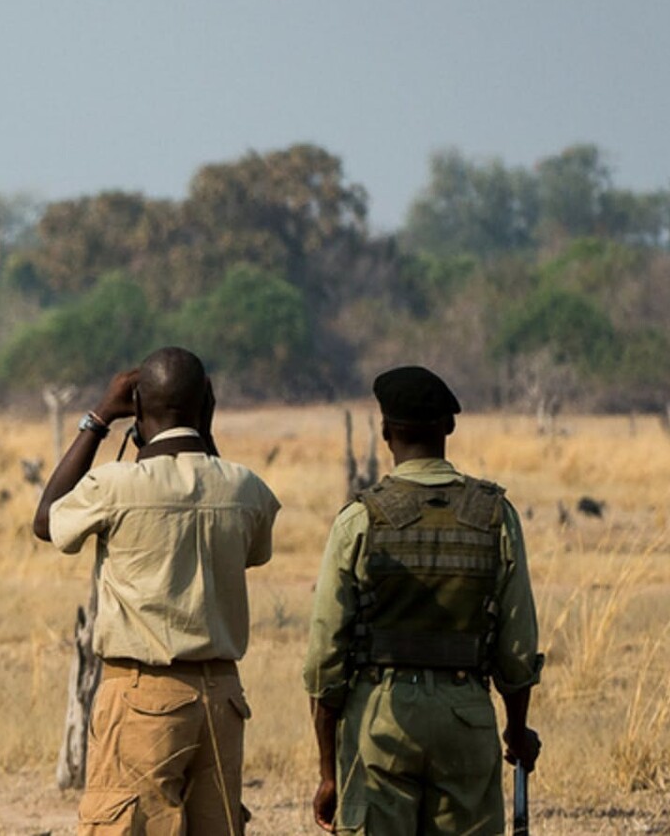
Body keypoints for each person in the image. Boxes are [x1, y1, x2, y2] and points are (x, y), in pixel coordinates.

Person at [32, 347, 281, 835]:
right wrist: (203, 428)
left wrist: (100, 416)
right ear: (207, 404)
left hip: (142, 695)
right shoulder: (246, 489)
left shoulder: (116, 486)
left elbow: (47, 521)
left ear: (139, 406)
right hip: (223, 698)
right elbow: (252, 551)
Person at [302, 365, 543, 835]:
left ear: (386, 431)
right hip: (466, 713)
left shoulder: (360, 518)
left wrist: (330, 773)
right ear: (449, 427)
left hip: (379, 718)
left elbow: (323, 660)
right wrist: (515, 729)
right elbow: (517, 649)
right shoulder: (495, 515)